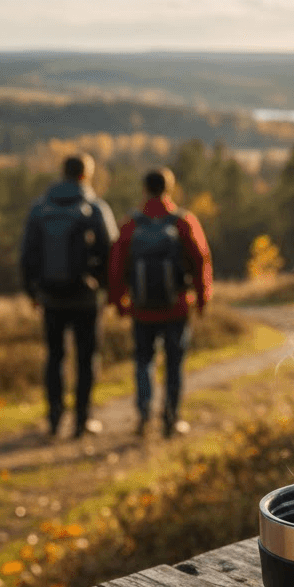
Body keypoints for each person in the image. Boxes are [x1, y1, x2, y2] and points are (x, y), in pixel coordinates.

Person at [108, 167, 213, 438]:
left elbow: (117, 264)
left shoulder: (131, 223)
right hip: (176, 306)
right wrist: (202, 299)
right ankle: (171, 418)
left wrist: (119, 302)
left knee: (144, 361)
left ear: (144, 189)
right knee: (174, 364)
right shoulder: (183, 221)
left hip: (141, 308)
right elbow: (201, 260)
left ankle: (144, 415)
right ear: (169, 188)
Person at [20, 154, 118, 439]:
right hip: (86, 298)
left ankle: (54, 418)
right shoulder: (95, 208)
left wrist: (32, 292)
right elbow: (110, 253)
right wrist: (106, 289)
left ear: (62, 173)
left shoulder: (39, 208)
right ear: (86, 175)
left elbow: (27, 255)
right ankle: (82, 420)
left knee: (54, 357)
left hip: (50, 296)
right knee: (87, 360)